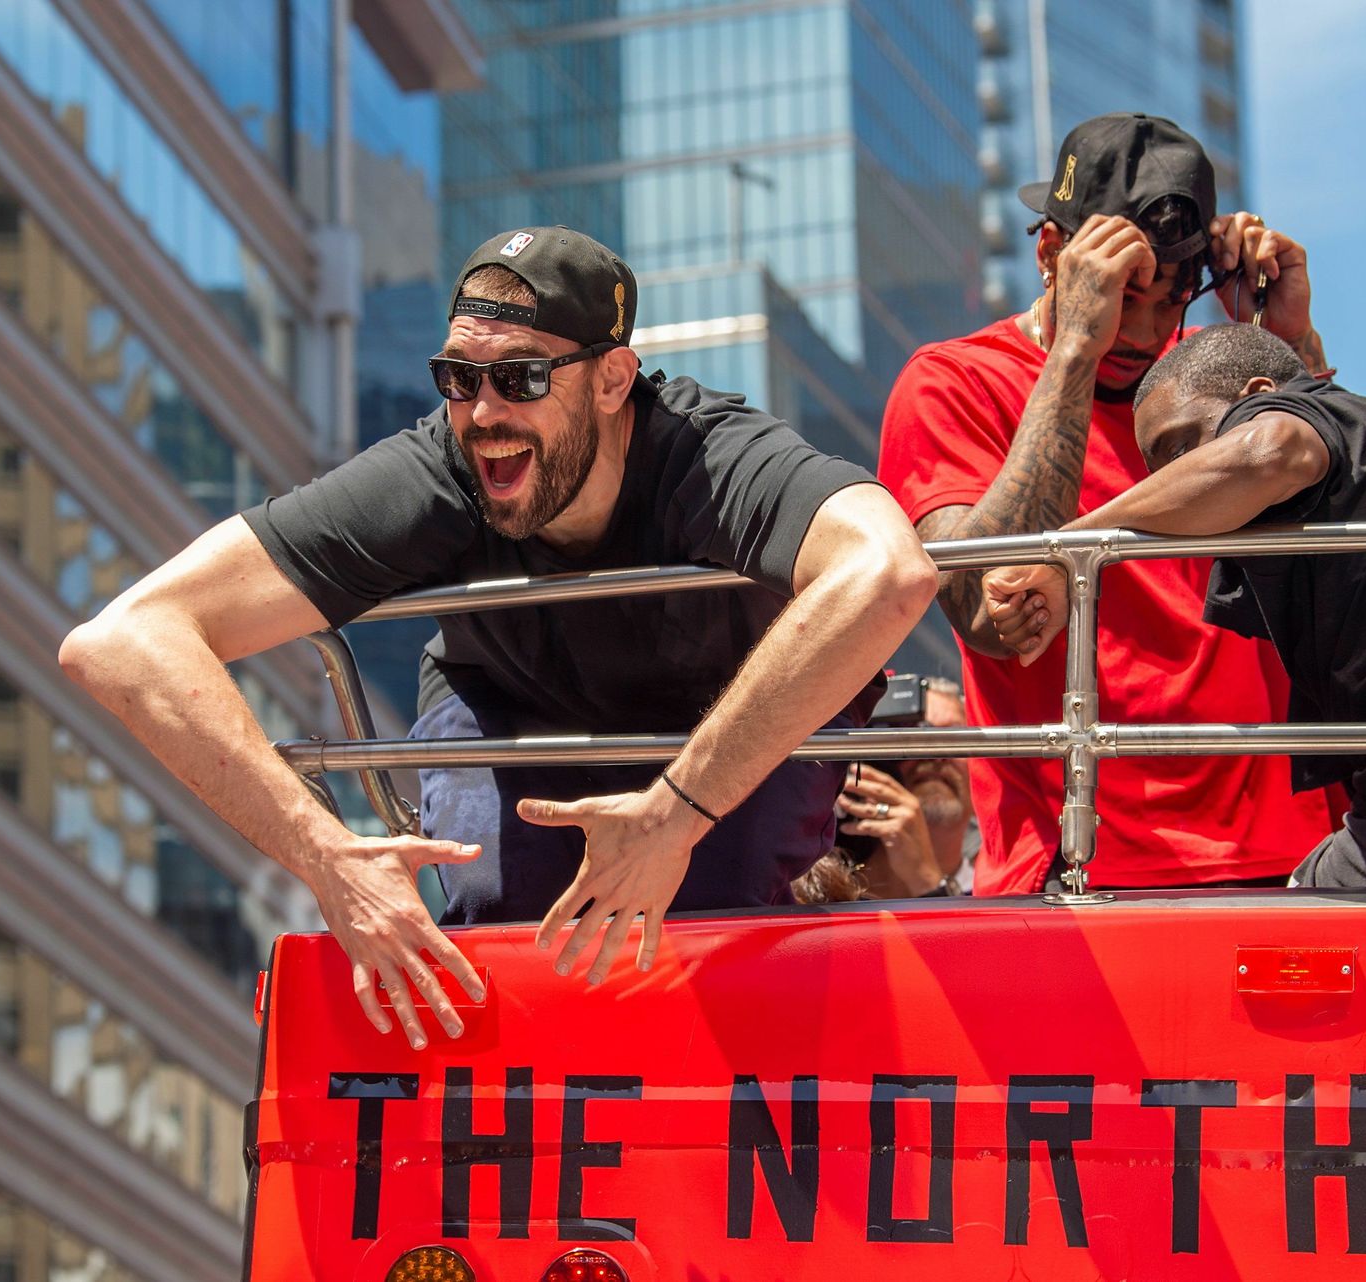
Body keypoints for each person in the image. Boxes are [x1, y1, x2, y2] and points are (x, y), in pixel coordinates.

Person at [59, 225, 936, 1048]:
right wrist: (327, 857)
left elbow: (890, 572)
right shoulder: (435, 472)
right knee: (493, 916)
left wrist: (675, 812)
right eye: (458, 378)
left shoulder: (711, 456)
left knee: (722, 921)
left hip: (728, 726)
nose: (482, 415)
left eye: (520, 379)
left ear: (612, 380)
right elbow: (123, 639)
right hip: (513, 707)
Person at [876, 112, 1342, 895]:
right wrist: (1074, 353)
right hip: (1077, 867)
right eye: (1122, 294)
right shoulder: (953, 382)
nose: (1146, 329)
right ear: (1050, 255)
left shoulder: (1214, 378)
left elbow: (1343, 546)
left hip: (1286, 852)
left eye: (1172, 299)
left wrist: (1291, 349)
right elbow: (987, 614)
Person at [985, 323, 1366, 888]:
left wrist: (1073, 551)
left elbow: (1270, 450)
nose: (1175, 482)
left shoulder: (1302, 416)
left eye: (1180, 451)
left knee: (1301, 921)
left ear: (1259, 395)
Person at [794, 676, 978, 902]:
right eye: (913, 736)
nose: (936, 755)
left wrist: (926, 880)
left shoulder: (1001, 892)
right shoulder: (805, 879)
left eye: (955, 738)